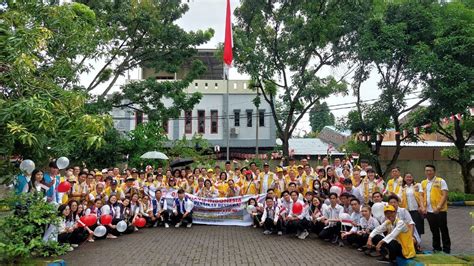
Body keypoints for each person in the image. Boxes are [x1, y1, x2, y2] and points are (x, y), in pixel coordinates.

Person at [420, 164, 450, 254]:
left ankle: (446, 249)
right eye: (426, 170)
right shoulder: (423, 183)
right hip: (428, 211)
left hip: (440, 211)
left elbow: (445, 195)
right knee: (434, 230)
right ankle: (436, 248)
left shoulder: (441, 181)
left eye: (430, 170)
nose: (428, 172)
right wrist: (422, 207)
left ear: (434, 171)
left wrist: (439, 207)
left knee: (443, 229)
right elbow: (421, 196)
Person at [400, 173, 424, 237]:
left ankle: (418, 244)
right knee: (408, 227)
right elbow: (399, 198)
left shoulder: (417, 185)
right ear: (404, 179)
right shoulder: (402, 188)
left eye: (410, 177)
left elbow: (421, 196)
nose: (409, 178)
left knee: (418, 227)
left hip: (417, 210)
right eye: (407, 177)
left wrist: (421, 206)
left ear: (412, 178)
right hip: (407, 210)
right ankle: (411, 243)